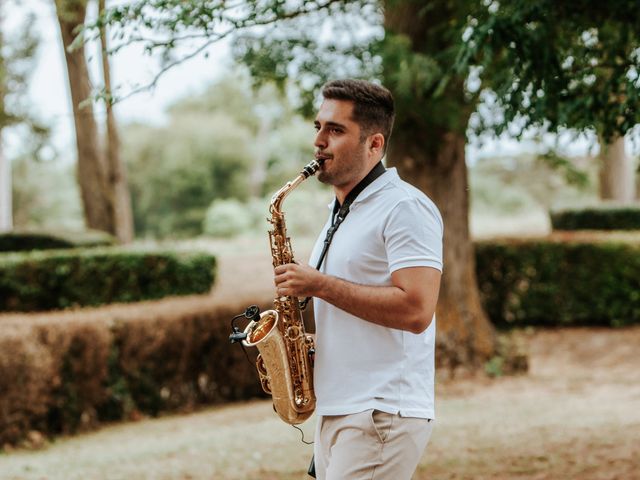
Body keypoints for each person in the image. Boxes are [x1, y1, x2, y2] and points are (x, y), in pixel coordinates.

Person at [274, 79, 443, 480]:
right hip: (341, 407)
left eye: (335, 130)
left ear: (375, 144)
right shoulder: (344, 211)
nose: (319, 140)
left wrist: (318, 285)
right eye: (318, 126)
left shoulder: (404, 207)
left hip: (381, 410)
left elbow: (417, 309)